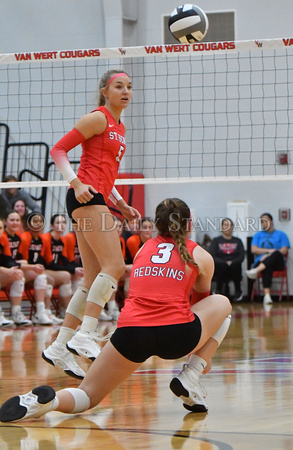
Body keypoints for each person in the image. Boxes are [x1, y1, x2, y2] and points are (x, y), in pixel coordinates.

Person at [0, 198, 232, 423]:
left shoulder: (142, 251)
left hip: (131, 333)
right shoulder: (201, 255)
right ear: (189, 224)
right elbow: (199, 304)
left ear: (156, 225)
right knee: (222, 304)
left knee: (88, 395)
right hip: (178, 335)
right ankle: (192, 374)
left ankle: (46, 403)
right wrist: (200, 355)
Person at [42, 69, 140, 380]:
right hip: (85, 196)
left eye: (129, 87)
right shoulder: (97, 118)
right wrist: (75, 182)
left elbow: (104, 170)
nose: (125, 91)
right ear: (105, 91)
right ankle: (86, 334)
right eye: (118, 86)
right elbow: (57, 150)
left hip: (98, 196)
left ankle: (59, 347)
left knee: (93, 276)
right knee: (115, 266)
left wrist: (120, 203)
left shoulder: (120, 126)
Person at [4, 210, 51, 325]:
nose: (15, 223)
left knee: (42, 276)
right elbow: (8, 261)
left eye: (17, 220)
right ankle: (15, 312)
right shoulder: (21, 238)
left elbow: (17, 260)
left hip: (12, 268)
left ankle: (41, 312)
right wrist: (31, 266)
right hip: (7, 269)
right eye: (12, 220)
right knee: (20, 275)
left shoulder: (18, 237)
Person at [21, 212, 63, 325]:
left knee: (47, 278)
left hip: (34, 270)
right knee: (42, 277)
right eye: (35, 221)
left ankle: (47, 312)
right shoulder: (25, 238)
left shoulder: (43, 240)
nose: (38, 224)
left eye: (40, 221)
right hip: (22, 270)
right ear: (29, 224)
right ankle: (39, 312)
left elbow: (47, 261)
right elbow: (21, 261)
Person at [246, 213, 290, 304]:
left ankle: (255, 271)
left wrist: (272, 253)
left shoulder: (281, 234)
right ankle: (267, 296)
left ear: (271, 221)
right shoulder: (258, 235)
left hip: (278, 262)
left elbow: (284, 250)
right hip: (261, 261)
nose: (264, 223)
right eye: (262, 221)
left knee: (276, 253)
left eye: (266, 220)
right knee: (267, 267)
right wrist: (268, 252)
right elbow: (253, 249)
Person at [0, 218, 29, 327]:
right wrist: (6, 270)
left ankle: (15, 313)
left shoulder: (3, 239)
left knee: (18, 275)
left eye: (0, 228)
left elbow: (8, 261)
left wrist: (12, 269)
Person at [209, 218, 245, 301]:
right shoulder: (216, 241)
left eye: (229, 225)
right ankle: (218, 290)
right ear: (221, 227)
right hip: (220, 266)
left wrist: (231, 262)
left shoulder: (238, 241)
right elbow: (212, 255)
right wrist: (225, 262)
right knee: (222, 265)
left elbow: (241, 256)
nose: (227, 227)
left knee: (236, 265)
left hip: (234, 266)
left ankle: (238, 292)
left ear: (232, 227)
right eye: (225, 225)